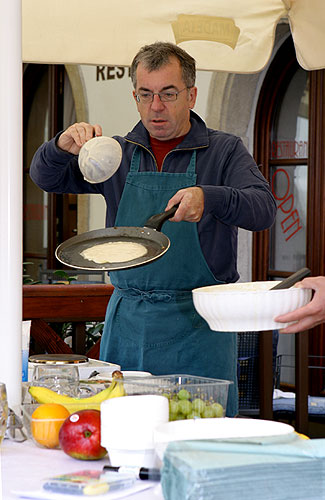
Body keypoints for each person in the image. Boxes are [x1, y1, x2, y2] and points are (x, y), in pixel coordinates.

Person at [29, 42, 277, 416]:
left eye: (168, 94)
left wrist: (210, 197)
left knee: (197, 440)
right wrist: (60, 147)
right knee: (123, 439)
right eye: (146, 94)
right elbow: (45, 177)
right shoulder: (115, 153)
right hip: (129, 322)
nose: (156, 106)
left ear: (191, 95)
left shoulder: (223, 151)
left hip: (200, 329)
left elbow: (263, 210)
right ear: (135, 96)